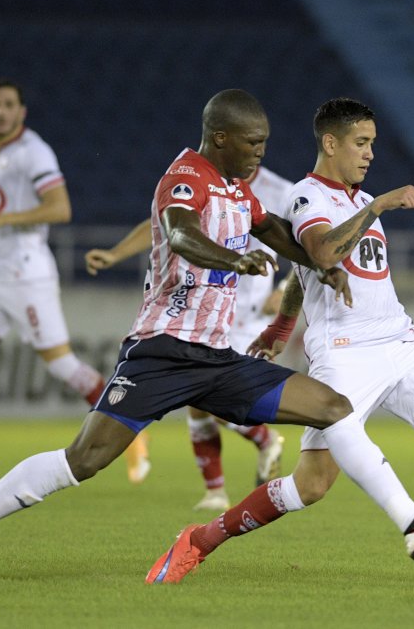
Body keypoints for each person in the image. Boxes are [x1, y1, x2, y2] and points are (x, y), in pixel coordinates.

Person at [0, 89, 414, 588]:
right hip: (161, 352)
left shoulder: (237, 188)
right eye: (252, 143)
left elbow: (271, 228)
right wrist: (233, 260)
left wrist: (320, 265)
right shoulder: (185, 177)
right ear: (219, 138)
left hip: (216, 359)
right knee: (82, 459)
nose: (260, 152)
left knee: (333, 408)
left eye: (265, 143)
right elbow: (181, 234)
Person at [146, 97, 414, 595]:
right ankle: (199, 540)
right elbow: (320, 253)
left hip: (401, 339)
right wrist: (378, 205)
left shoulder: (358, 198)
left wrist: (282, 325)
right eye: (361, 143)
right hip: (345, 351)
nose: (370, 153)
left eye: (372, 143)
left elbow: (303, 273)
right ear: (330, 143)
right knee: (311, 485)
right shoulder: (307, 196)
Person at [0, 78, 149, 489]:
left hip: (27, 275)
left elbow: (60, 208)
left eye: (8, 104)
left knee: (62, 365)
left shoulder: (34, 152)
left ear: (21, 112)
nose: (1, 111)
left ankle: (131, 432)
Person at [84, 164, 295, 510]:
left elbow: (301, 243)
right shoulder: (201, 179)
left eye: (258, 141)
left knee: (207, 399)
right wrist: (116, 253)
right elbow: (165, 224)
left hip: (251, 315)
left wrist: (285, 289)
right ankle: (218, 489)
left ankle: (259, 445)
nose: (253, 148)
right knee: (197, 404)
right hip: (204, 310)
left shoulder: (280, 190)